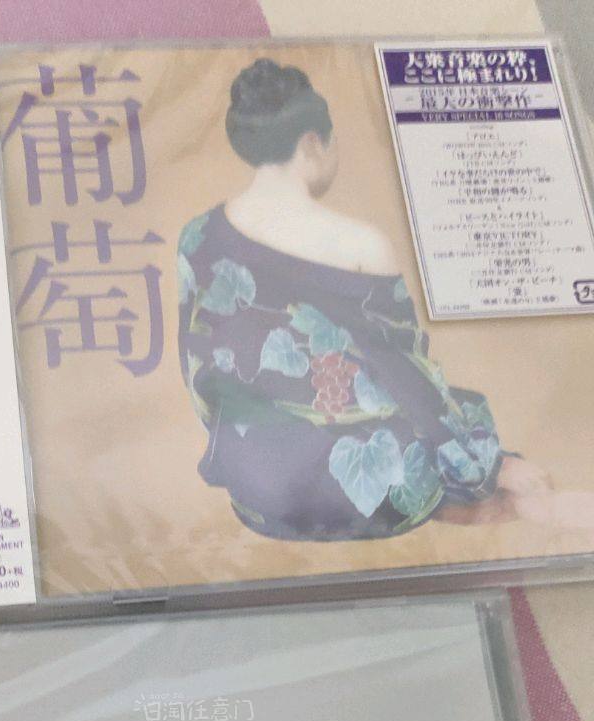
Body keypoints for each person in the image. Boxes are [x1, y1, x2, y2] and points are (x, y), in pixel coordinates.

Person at [178, 58, 558, 542]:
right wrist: (492, 466)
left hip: (258, 494)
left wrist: (244, 456)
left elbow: (199, 370)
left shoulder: (198, 234)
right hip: (370, 501)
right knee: (451, 418)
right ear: (312, 143)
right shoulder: (360, 245)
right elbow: (412, 381)